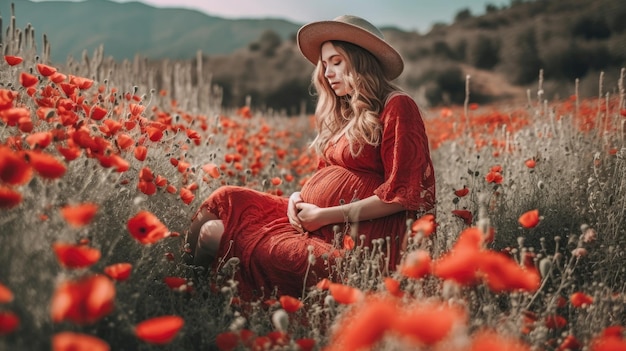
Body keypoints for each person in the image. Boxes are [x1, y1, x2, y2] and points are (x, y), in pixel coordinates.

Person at [185, 15, 436, 300]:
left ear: (361, 60)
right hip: (317, 222)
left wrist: (324, 215)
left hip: (356, 241)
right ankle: (191, 294)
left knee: (215, 235)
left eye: (337, 61)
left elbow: (403, 194)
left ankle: (204, 301)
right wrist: (296, 198)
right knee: (225, 197)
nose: (327, 73)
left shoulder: (397, 106)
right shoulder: (347, 114)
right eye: (325, 64)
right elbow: (323, 175)